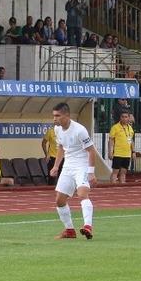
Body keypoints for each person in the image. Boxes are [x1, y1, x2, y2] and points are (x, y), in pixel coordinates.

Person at [50, 103, 96, 240]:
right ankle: (69, 230)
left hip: (81, 165)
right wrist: (56, 166)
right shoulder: (57, 129)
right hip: (68, 167)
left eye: (57, 116)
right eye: (53, 116)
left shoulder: (79, 130)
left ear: (67, 116)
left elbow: (91, 150)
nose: (54, 119)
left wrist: (91, 172)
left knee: (82, 194)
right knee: (59, 200)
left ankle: (88, 226)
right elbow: (61, 148)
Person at [108, 111, 134, 183]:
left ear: (129, 118)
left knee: (123, 172)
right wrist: (110, 152)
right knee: (115, 172)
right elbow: (111, 140)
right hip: (117, 153)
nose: (124, 118)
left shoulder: (130, 128)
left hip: (127, 154)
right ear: (120, 118)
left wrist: (133, 151)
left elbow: (131, 140)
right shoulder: (115, 127)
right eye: (122, 117)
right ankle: (112, 187)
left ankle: (122, 186)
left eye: (126, 117)